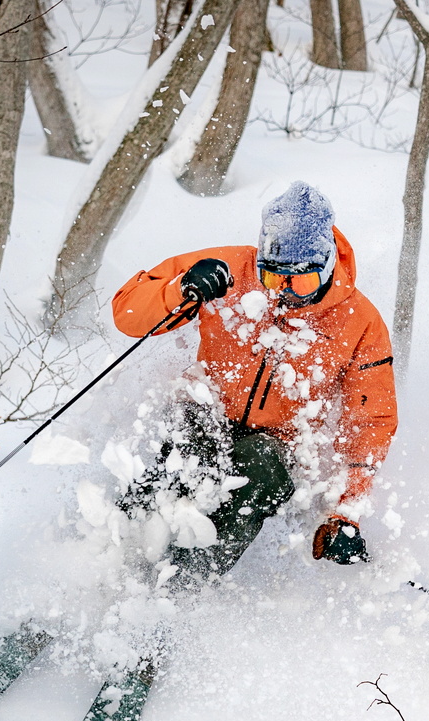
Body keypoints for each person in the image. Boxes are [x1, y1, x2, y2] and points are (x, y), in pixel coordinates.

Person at [110, 181, 397, 582]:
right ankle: (113, 563)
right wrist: (182, 288)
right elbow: (126, 311)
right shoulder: (230, 270)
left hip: (276, 445)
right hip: (206, 412)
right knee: (178, 442)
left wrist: (346, 512)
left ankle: (178, 588)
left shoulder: (361, 321)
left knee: (258, 469)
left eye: (302, 282)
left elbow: (370, 424)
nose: (285, 294)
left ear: (328, 266)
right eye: (273, 278)